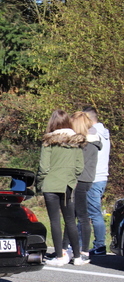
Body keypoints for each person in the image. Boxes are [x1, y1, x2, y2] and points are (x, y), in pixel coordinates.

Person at [36, 110, 87, 266]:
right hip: (68, 184)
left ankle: (59, 256)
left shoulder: (48, 142)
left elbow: (44, 167)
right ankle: (77, 256)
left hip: (51, 184)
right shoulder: (76, 142)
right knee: (70, 220)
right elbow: (80, 167)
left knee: (55, 221)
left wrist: (39, 183)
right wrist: (71, 178)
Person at [62, 111, 102, 261]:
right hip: (82, 179)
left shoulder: (87, 144)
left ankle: (84, 251)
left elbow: (78, 164)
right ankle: (65, 248)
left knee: (81, 216)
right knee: (72, 215)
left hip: (81, 180)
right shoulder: (88, 142)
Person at [83, 106, 110, 256]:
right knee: (87, 213)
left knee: (93, 213)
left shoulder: (93, 133)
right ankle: (87, 244)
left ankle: (99, 245)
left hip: (94, 177)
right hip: (100, 177)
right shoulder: (104, 132)